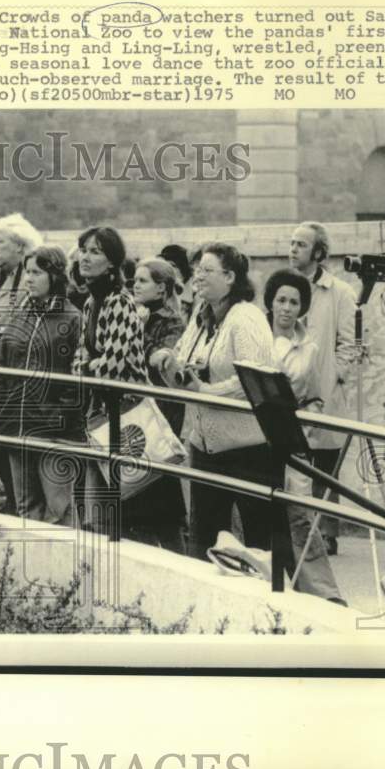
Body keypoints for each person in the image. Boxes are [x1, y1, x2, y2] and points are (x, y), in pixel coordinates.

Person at [169, 243, 290, 563]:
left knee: (260, 541)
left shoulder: (245, 318)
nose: (198, 276)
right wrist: (168, 362)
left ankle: (276, 604)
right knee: (204, 539)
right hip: (206, 447)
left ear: (230, 277)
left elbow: (254, 379)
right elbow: (184, 357)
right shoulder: (201, 314)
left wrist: (206, 392)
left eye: (207, 270)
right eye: (197, 270)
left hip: (248, 450)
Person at [263, 269, 346, 604]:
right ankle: (268, 589)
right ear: (269, 302)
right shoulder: (256, 337)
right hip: (254, 440)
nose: (286, 307)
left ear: (302, 308)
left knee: (300, 515)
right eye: (281, 300)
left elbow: (315, 398)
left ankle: (322, 595)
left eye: (294, 302)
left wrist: (306, 425)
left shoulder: (309, 348)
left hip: (292, 440)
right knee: (260, 513)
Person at [0, 245, 84, 524]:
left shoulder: (73, 318)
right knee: (24, 509)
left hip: (51, 430)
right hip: (16, 425)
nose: (29, 278)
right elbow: (2, 366)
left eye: (37, 272)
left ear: (54, 276)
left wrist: (60, 417)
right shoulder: (20, 314)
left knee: (58, 509)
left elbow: (76, 378)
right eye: (27, 272)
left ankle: (65, 567)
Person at [288, 221, 357, 556]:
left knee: (326, 464)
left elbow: (352, 342)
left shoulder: (339, 292)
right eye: (292, 243)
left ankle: (328, 531)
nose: (293, 249)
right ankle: (300, 528)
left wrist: (335, 375)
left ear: (318, 252)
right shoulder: (284, 289)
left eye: (301, 244)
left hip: (327, 390)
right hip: (292, 385)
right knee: (297, 457)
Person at [72, 227, 147, 531]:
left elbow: (112, 367)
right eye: (83, 250)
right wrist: (89, 365)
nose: (85, 258)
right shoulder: (91, 303)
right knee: (96, 512)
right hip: (100, 415)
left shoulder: (119, 302)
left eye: (95, 251)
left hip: (128, 415)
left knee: (142, 514)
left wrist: (89, 365)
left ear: (113, 263)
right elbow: (79, 360)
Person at [0, 213, 44, 514]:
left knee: (17, 459)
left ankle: (19, 509)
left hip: (18, 385)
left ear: (20, 246)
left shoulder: (31, 284)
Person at [125, 257, 188, 551]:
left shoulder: (172, 321)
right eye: (134, 280)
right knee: (136, 493)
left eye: (142, 281)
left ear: (161, 289)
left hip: (162, 413)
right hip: (136, 412)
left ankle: (177, 554)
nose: (135, 286)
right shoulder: (134, 314)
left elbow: (160, 362)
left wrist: (138, 331)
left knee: (162, 492)